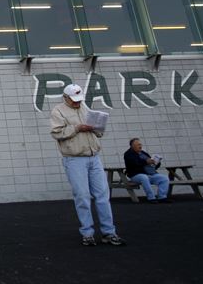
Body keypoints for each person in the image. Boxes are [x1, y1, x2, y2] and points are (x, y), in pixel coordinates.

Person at [50, 84, 126, 247]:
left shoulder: (85, 107)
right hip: (74, 158)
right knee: (82, 196)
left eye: (79, 99)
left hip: (94, 156)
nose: (77, 102)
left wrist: (97, 128)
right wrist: (77, 128)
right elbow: (56, 133)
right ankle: (87, 233)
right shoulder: (58, 111)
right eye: (74, 99)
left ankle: (109, 232)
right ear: (65, 98)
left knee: (103, 195)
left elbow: (99, 132)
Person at [124, 138, 171, 203]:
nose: (140, 146)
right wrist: (146, 162)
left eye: (140, 144)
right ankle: (151, 197)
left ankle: (162, 197)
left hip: (149, 174)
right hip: (136, 175)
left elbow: (150, 161)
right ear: (132, 146)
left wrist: (156, 162)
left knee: (164, 178)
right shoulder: (128, 154)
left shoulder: (143, 153)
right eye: (138, 145)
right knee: (144, 177)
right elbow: (135, 163)